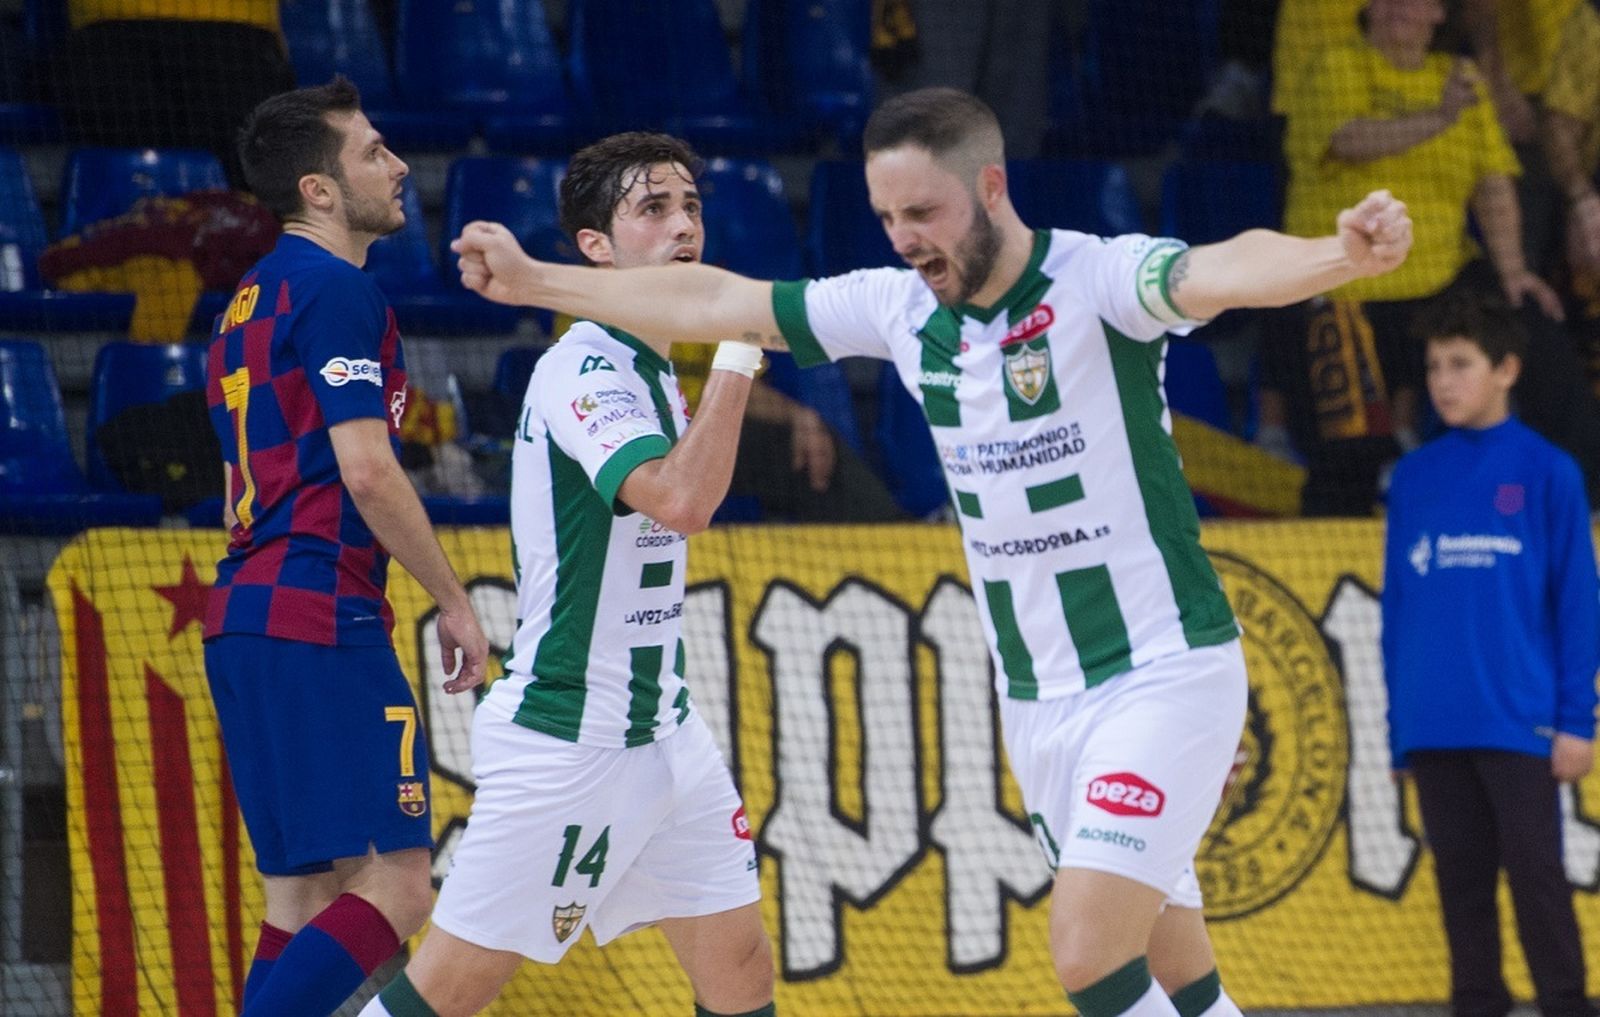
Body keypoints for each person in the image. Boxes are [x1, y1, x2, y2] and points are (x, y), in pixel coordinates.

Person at [448, 86, 1414, 1017]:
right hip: (1040, 702)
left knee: (1088, 954)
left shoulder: (1098, 280)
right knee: (1182, 973)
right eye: (887, 215)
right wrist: (534, 279)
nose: (906, 236)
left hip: (1161, 673)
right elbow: (718, 302)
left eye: (924, 210)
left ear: (990, 189)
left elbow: (1227, 266)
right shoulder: (899, 307)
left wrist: (1339, 253)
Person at [358, 132, 775, 1017]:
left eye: (691, 205)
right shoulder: (586, 364)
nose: (683, 224)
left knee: (739, 966)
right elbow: (682, 501)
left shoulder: (655, 369)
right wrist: (738, 353)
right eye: (652, 208)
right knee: (447, 993)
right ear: (596, 247)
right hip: (570, 739)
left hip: (664, 730)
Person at [203, 77, 490, 1017]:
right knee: (403, 883)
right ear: (319, 190)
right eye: (372, 151)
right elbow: (367, 470)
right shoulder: (334, 287)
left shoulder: (248, 298)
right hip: (318, 610)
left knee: (305, 898)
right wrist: (452, 596)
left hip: (246, 614)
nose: (400, 163)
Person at [1381, 290, 1598, 1017]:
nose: (1443, 380)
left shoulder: (1549, 472)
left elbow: (1577, 604)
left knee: (1537, 876)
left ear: (1505, 368)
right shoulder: (1411, 477)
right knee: (1461, 886)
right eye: (1435, 365)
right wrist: (1397, 729)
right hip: (1433, 724)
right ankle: (1477, 1003)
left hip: (1521, 722)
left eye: (1461, 364)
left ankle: (1565, 1003)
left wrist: (1578, 718)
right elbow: (1398, 613)